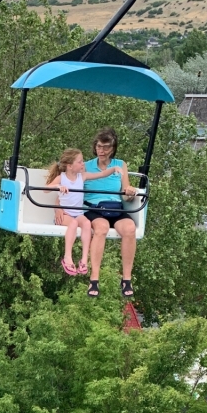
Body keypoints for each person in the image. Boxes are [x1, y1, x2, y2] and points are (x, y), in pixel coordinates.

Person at [82, 128, 137, 299]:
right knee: (101, 227)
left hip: (114, 207)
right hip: (93, 208)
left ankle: (126, 278)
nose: (102, 151)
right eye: (99, 147)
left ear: (112, 148)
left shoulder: (120, 165)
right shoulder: (86, 166)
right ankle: (94, 279)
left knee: (129, 228)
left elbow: (125, 194)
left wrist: (130, 193)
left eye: (106, 147)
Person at [48, 149, 122, 275]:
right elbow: (46, 188)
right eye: (80, 162)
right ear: (70, 166)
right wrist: (58, 186)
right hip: (66, 214)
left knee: (87, 224)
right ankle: (67, 257)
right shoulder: (62, 178)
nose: (83, 164)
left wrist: (114, 169)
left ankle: (84, 259)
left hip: (78, 214)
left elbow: (101, 175)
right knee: (73, 224)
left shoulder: (82, 177)